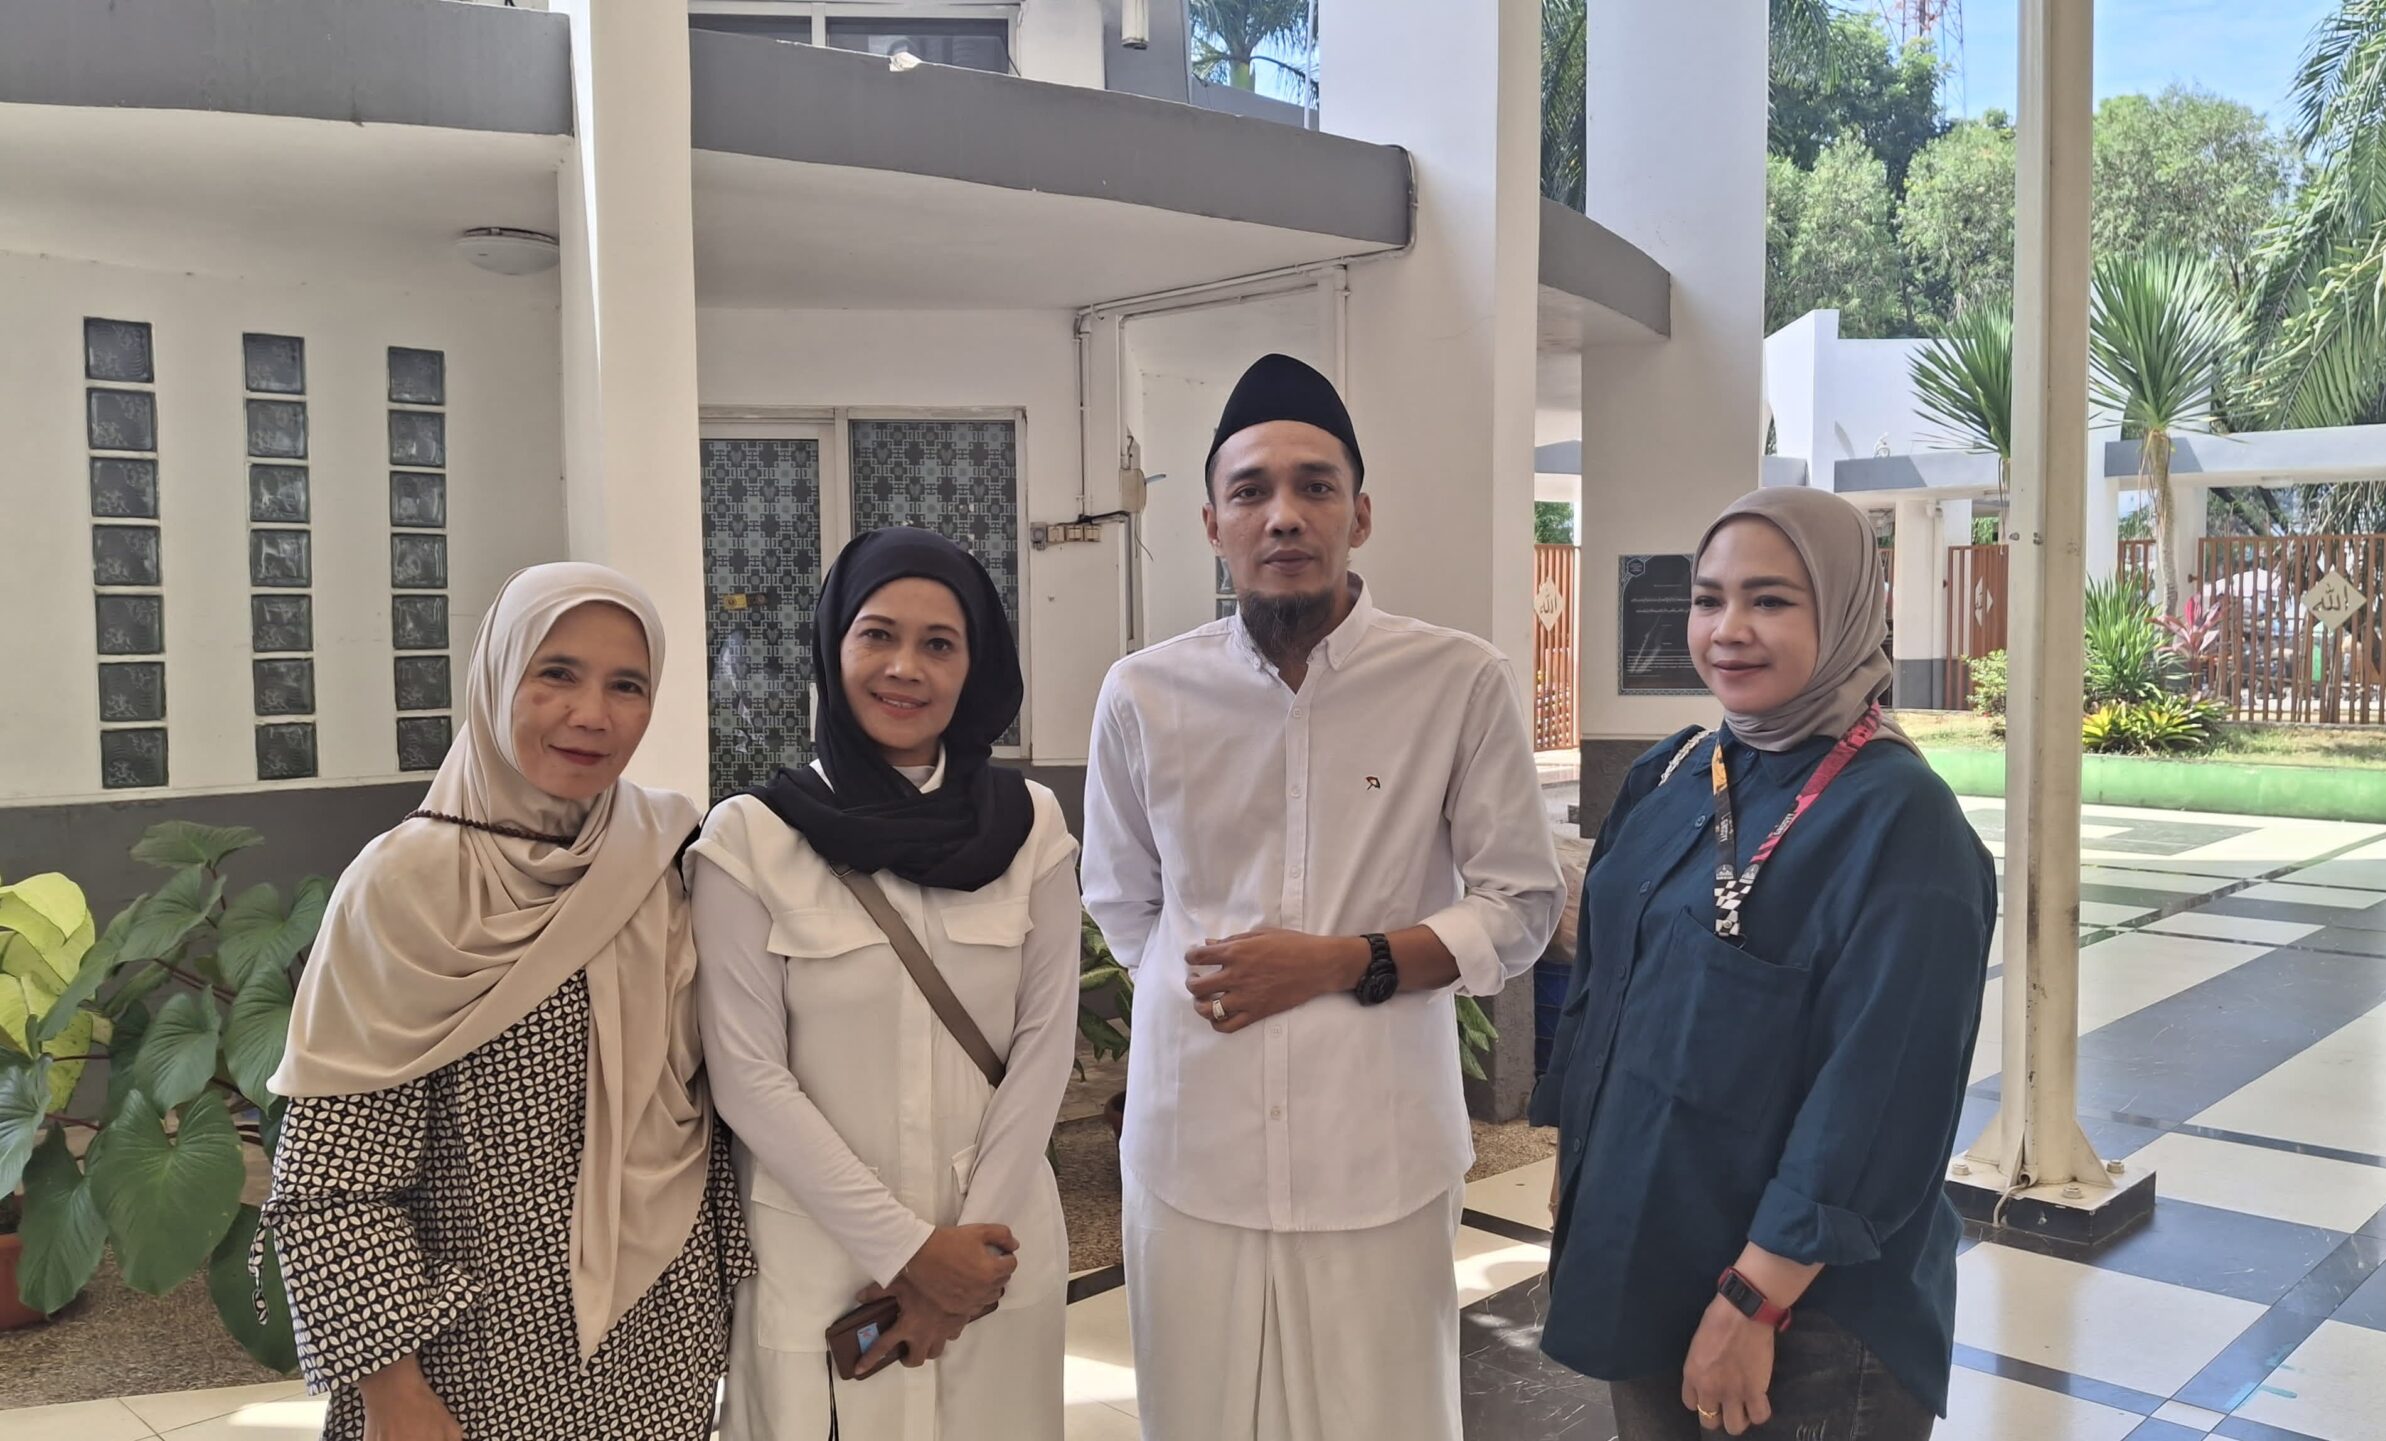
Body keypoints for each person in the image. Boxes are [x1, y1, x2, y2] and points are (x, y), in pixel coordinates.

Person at [1083, 353, 1566, 1440]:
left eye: (1315, 486)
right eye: (1251, 490)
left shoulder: (1457, 682)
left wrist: (1344, 963)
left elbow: (1519, 905)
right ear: (1212, 523)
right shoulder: (1143, 694)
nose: (1284, 515)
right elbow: (1121, 900)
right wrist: (1208, 1002)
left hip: (1378, 1147)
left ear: (1361, 513)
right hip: (1191, 1145)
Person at [1531, 486, 1995, 1440]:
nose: (1729, 629)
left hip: (1803, 1321)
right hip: (1650, 1265)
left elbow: (1880, 1093)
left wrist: (1756, 1296)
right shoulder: (1676, 772)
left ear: (1848, 611)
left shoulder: (1900, 823)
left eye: (1771, 600)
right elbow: (1606, 997)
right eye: (1709, 599)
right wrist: (1583, 1169)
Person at [266, 563, 743, 1441]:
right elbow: (331, 1184)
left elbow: (711, 1116)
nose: (592, 714)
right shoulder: (405, 885)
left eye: (627, 685)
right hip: (469, 1367)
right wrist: (396, 1397)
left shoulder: (669, 856)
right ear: (496, 678)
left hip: (662, 1346)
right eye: (556, 673)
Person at [690, 527, 1081, 1439]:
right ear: (834, 647)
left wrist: (962, 1264)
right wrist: (908, 1250)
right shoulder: (750, 839)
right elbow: (748, 1078)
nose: (905, 667)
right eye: (877, 634)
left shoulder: (1032, 826)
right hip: (822, 1256)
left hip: (997, 1252)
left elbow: (1043, 1046)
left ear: (974, 667)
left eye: (939, 643)